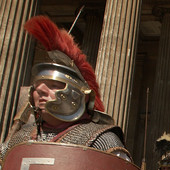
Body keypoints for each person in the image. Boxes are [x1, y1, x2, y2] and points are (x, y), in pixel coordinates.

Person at [1, 16, 129, 161]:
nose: (41, 90)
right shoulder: (20, 139)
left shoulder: (102, 140)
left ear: (79, 95)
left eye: (54, 86)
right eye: (37, 86)